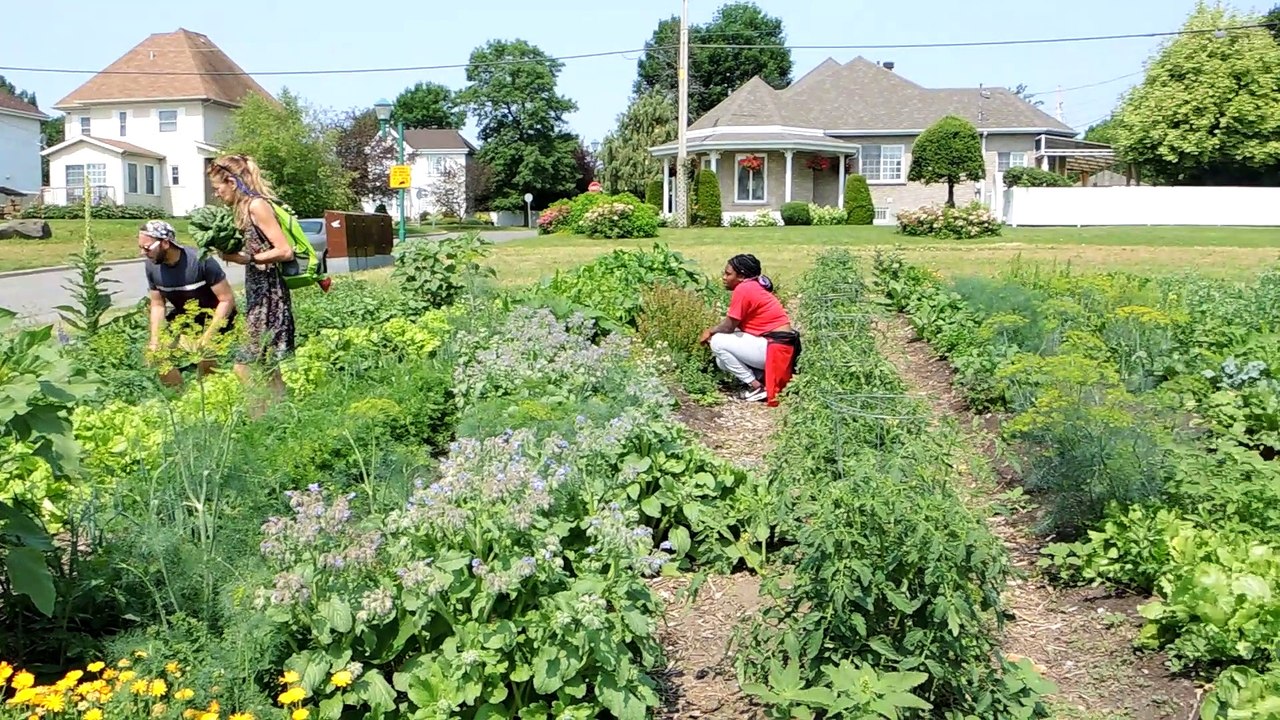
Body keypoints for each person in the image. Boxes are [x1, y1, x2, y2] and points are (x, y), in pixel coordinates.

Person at [206, 154, 297, 413]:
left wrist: (248, 258)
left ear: (232, 182)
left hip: (270, 295)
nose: (216, 194)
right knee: (269, 367)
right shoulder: (243, 209)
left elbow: (284, 250)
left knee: (243, 364)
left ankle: (259, 415)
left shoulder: (257, 206)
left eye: (218, 188)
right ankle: (282, 418)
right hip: (259, 293)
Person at [140, 220, 237, 388]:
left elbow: (226, 299)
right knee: (158, 355)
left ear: (165, 243)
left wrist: (208, 336)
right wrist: (155, 340)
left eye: (147, 248)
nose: (142, 253)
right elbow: (157, 304)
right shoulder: (151, 266)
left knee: (206, 357)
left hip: (216, 319)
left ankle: (209, 396)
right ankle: (178, 397)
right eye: (141, 247)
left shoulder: (200, 260)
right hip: (184, 319)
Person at [699, 254, 794, 402]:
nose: (724, 277)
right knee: (722, 361)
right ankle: (762, 379)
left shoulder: (744, 289)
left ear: (742, 276)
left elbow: (730, 326)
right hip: (779, 347)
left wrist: (709, 332)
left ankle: (758, 387)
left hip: (775, 348)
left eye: (728, 274)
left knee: (717, 341)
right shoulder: (753, 285)